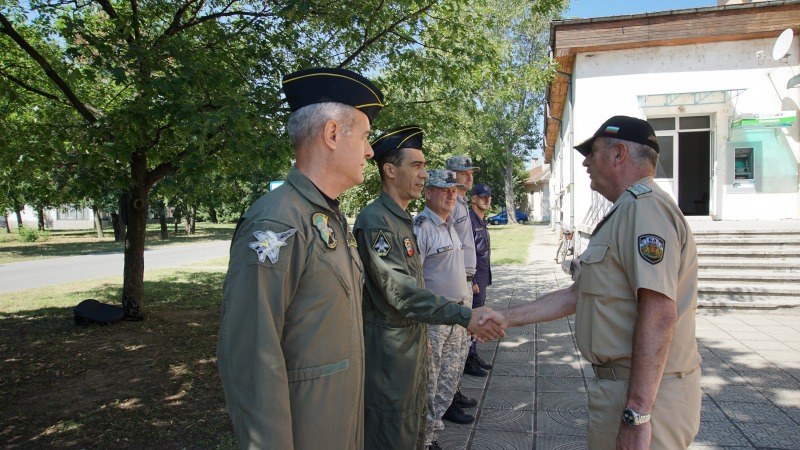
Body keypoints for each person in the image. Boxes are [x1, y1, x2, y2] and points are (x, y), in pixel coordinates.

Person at [485, 115, 701, 450]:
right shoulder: (627, 210)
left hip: (645, 397)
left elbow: (659, 312)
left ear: (618, 155)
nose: (585, 161)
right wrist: (507, 317)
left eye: (593, 151)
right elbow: (579, 294)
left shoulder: (645, 209)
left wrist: (638, 414)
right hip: (623, 388)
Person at [216, 67, 384, 449]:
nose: (370, 151)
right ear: (331, 134)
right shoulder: (277, 221)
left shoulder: (326, 217)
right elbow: (251, 355)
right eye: (364, 136)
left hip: (337, 424)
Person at [354, 127, 506, 450]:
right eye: (416, 166)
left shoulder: (400, 219)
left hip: (410, 341)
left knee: (413, 419)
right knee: (391, 431)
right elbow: (402, 292)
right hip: (391, 354)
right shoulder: (377, 221)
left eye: (424, 166)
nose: (424, 174)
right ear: (390, 170)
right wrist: (463, 315)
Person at [415, 170, 477, 449]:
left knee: (449, 378)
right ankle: (424, 439)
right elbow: (413, 280)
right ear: (428, 193)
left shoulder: (450, 223)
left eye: (454, 189)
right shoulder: (421, 227)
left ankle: (434, 432)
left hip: (457, 315)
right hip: (434, 320)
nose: (451, 194)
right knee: (429, 382)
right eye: (444, 189)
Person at [468, 183, 494, 370]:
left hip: (483, 277)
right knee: (473, 319)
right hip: (475, 281)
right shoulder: (469, 221)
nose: (486, 200)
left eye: (488, 197)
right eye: (482, 196)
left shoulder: (481, 220)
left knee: (478, 319)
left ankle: (473, 354)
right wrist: (473, 281)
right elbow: (467, 252)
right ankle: (468, 359)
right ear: (474, 199)